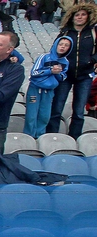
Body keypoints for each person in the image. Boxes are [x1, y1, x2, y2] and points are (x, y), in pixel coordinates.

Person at [47, 3, 97, 138]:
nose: (80, 17)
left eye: (83, 15)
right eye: (77, 15)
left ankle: (74, 138)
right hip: (65, 75)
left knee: (79, 111)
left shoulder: (93, 33)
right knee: (56, 108)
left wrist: (92, 60)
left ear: (88, 16)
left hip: (85, 76)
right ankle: (52, 136)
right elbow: (54, 51)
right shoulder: (65, 32)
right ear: (72, 17)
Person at [24, 37, 72, 138]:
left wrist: (58, 73)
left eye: (66, 45)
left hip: (49, 91)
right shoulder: (44, 57)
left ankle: (40, 137)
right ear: (56, 45)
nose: (63, 47)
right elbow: (34, 72)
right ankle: (29, 137)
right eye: (61, 44)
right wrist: (50, 71)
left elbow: (63, 77)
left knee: (44, 116)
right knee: (31, 116)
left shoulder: (65, 62)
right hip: (35, 89)